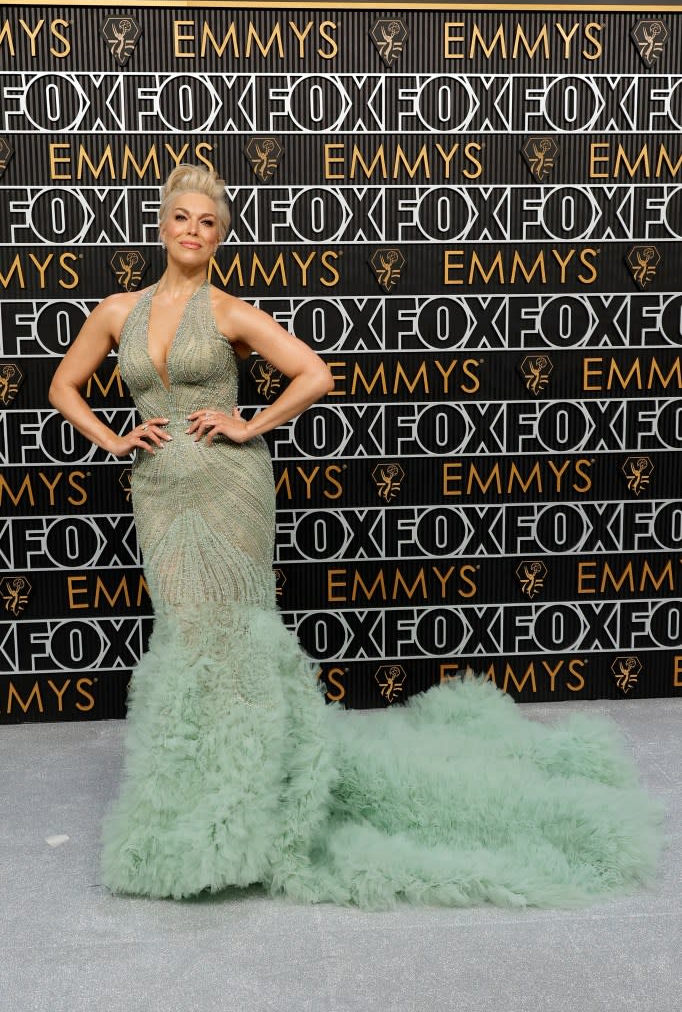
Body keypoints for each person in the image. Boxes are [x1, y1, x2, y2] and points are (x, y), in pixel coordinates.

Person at [49, 164, 662, 908]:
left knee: (237, 634)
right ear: (161, 225)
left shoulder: (234, 314)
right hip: (158, 492)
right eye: (182, 217)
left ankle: (251, 798)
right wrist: (114, 441)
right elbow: (62, 385)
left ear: (221, 236)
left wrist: (250, 423)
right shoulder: (119, 310)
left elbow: (314, 374)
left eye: (208, 222)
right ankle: (186, 791)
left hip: (230, 487)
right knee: (185, 632)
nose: (193, 230)